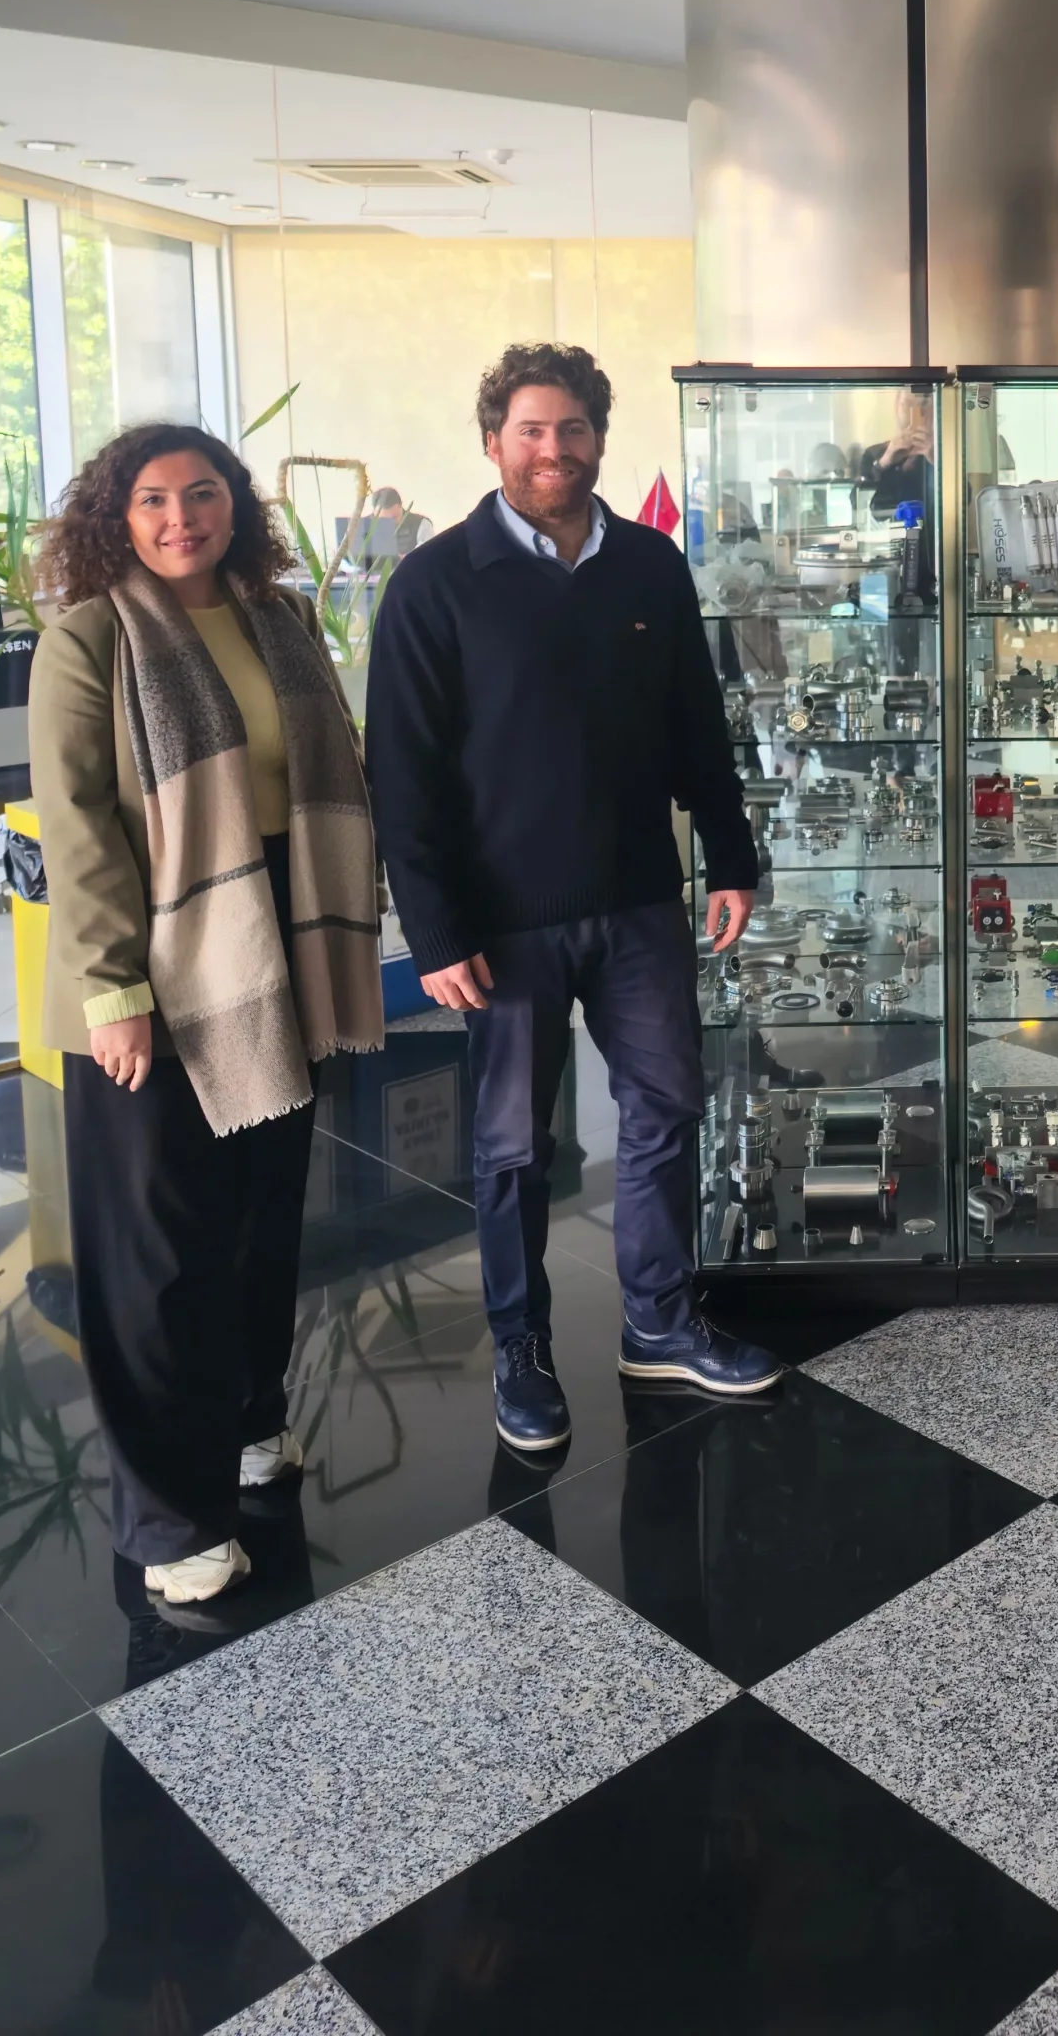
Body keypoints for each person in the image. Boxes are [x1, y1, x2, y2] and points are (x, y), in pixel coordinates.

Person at [364, 341, 776, 1451]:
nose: (554, 449)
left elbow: (696, 724)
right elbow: (402, 774)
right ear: (492, 441)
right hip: (501, 923)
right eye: (531, 430)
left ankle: (659, 1321)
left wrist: (732, 856)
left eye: (574, 428)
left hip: (638, 901)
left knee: (666, 1113)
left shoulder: (647, 564)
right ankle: (521, 1350)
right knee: (512, 1149)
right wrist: (432, 929)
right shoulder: (433, 585)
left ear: (599, 437)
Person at [29, 424, 383, 1606]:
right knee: (161, 1250)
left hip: (280, 939)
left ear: (236, 503)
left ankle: (247, 1422)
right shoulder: (90, 639)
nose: (180, 517)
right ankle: (169, 1515)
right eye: (152, 499)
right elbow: (78, 828)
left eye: (202, 492)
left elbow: (329, 770)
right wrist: (113, 991)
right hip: (158, 958)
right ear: (116, 516)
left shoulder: (280, 617)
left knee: (262, 1215)